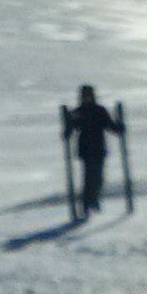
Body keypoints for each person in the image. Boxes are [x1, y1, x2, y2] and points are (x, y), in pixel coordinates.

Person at [63, 84, 122, 213]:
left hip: (99, 148)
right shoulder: (78, 112)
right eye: (85, 96)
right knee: (88, 178)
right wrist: (67, 125)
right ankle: (86, 204)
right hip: (85, 149)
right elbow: (70, 130)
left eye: (88, 96)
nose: (87, 99)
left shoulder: (99, 110)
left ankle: (93, 200)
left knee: (98, 178)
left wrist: (119, 126)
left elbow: (111, 127)